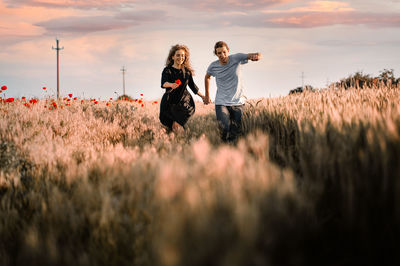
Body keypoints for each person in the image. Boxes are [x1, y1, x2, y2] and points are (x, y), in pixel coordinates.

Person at [204, 41, 262, 143]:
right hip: (221, 102)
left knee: (234, 132)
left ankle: (230, 152)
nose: (222, 55)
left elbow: (256, 54)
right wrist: (207, 95)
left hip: (238, 102)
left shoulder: (237, 58)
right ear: (216, 54)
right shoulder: (213, 66)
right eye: (219, 53)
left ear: (228, 51)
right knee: (224, 127)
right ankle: (223, 148)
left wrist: (257, 57)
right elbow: (207, 77)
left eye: (224, 52)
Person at [160, 44, 205, 132]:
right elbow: (163, 83)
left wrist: (203, 96)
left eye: (183, 56)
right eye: (178, 55)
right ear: (172, 57)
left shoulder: (187, 72)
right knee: (172, 127)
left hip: (184, 102)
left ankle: (182, 141)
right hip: (170, 101)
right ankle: (177, 142)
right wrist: (171, 84)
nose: (180, 57)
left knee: (178, 125)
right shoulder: (167, 70)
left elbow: (193, 86)